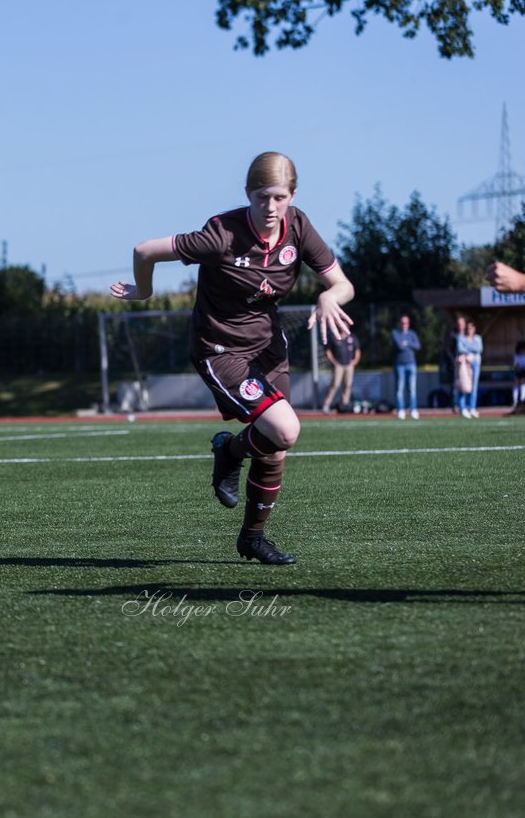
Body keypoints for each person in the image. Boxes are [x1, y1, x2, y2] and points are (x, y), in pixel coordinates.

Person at [110, 152, 354, 565]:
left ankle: (252, 538)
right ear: (248, 195)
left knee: (275, 446)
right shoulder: (221, 233)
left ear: (292, 196)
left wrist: (330, 296)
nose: (271, 207)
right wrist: (144, 291)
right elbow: (145, 249)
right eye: (262, 197)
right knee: (286, 429)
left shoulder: (299, 227)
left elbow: (342, 283)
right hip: (220, 348)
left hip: (268, 348)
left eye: (280, 197)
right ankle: (232, 452)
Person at [321, 329, 359, 414]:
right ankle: (326, 404)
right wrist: (333, 361)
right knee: (335, 384)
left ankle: (344, 405)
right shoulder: (334, 337)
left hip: (349, 365)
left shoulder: (352, 337)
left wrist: (355, 361)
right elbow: (328, 350)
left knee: (348, 385)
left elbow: (357, 350)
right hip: (338, 364)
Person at [392, 314, 422, 420]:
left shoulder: (412, 334)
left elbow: (418, 346)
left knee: (412, 389)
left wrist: (407, 342)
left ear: (408, 324)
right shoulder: (395, 333)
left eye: (406, 323)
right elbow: (399, 346)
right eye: (402, 322)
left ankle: (413, 409)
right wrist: (407, 344)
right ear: (400, 323)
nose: (404, 324)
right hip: (399, 364)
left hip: (411, 363)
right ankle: (401, 410)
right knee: (399, 389)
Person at [456, 320, 484, 418]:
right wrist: (471, 349)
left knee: (474, 387)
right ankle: (462, 408)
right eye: (468, 328)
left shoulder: (478, 338)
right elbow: (460, 348)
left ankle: (472, 408)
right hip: (465, 364)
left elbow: (479, 349)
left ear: (474, 329)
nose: (469, 330)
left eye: (471, 328)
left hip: (475, 364)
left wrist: (468, 348)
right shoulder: (461, 338)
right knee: (463, 386)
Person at [443, 315, 466, 413]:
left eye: (462, 324)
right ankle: (455, 405)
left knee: (465, 385)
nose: (460, 325)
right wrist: (453, 360)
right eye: (458, 324)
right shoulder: (452, 335)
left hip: (465, 364)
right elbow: (447, 350)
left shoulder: (467, 335)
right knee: (455, 386)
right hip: (455, 365)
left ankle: (464, 405)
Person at [512, 340, 525, 413]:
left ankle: (523, 399)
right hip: (518, 372)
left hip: (524, 373)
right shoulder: (517, 356)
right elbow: (516, 366)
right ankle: (515, 401)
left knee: (523, 382)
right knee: (516, 383)